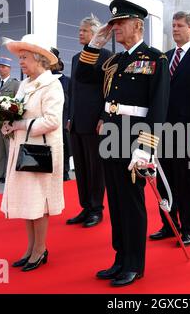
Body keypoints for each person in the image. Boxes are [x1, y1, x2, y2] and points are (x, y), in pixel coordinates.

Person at [75, 0, 169, 286]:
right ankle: (120, 258)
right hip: (111, 136)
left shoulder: (155, 59)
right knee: (115, 200)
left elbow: (159, 107)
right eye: (113, 24)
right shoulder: (114, 60)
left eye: (120, 23)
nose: (114, 28)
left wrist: (146, 147)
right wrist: (94, 43)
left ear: (137, 25)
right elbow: (83, 74)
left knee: (132, 202)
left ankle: (134, 263)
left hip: (135, 138)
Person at [149, 11, 190, 246]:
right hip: (165, 129)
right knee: (165, 179)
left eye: (179, 25)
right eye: (173, 25)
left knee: (189, 180)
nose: (174, 29)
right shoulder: (165, 57)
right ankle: (169, 225)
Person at [0, 34, 64, 271]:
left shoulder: (52, 85)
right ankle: (30, 248)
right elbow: (17, 113)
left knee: (39, 204)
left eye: (25, 57)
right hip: (23, 148)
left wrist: (20, 125)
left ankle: (40, 249)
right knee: (28, 202)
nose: (21, 62)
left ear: (39, 60)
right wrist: (6, 122)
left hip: (41, 151)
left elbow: (52, 121)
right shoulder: (25, 84)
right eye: (20, 57)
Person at [66, 15, 112, 228]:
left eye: (84, 30)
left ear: (96, 34)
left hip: (95, 122)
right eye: (80, 30)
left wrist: (104, 118)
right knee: (82, 167)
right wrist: (69, 117)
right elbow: (72, 91)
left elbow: (109, 92)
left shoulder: (107, 57)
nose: (80, 33)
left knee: (96, 168)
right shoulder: (76, 57)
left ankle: (96, 208)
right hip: (76, 122)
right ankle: (85, 206)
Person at [50, 47, 71, 182]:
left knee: (64, 146)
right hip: (47, 118)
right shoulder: (42, 79)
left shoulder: (66, 80)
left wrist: (69, 119)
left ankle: (64, 171)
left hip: (63, 119)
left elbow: (72, 100)